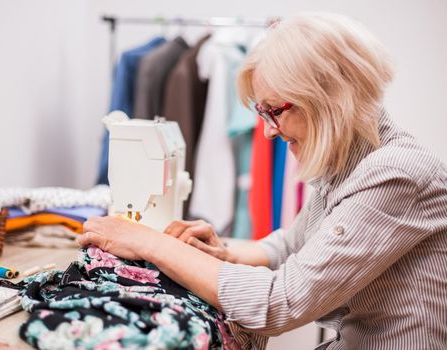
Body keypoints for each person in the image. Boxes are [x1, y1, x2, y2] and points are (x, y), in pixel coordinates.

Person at [78, 12, 447, 349]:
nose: (268, 131)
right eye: (261, 112)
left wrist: (149, 243)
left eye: (274, 111)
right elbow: (291, 245)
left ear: (328, 98)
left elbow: (280, 303)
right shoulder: (348, 164)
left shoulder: (397, 173)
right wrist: (224, 253)